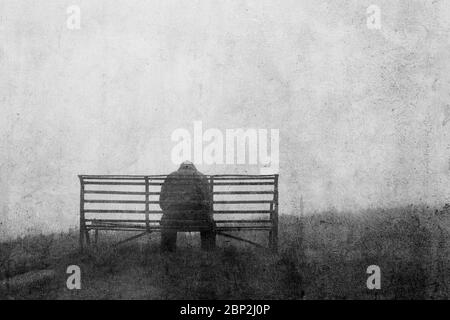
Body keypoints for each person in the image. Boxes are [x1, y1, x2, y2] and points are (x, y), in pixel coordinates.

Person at [159, 161, 216, 252]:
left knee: (168, 220)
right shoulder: (202, 177)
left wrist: (170, 210)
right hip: (199, 219)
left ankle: (168, 251)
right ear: (193, 167)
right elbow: (208, 201)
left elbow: (162, 201)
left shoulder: (171, 176)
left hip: (173, 220)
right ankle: (208, 251)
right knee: (209, 224)